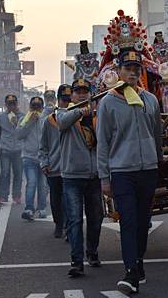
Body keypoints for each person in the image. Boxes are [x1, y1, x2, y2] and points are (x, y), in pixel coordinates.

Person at [97, 50, 162, 294]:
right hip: (122, 171)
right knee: (129, 222)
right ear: (119, 72)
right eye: (128, 68)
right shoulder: (108, 102)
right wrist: (104, 177)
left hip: (148, 171)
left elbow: (157, 136)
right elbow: (103, 142)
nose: (133, 72)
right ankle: (130, 271)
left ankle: (138, 261)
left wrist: (158, 164)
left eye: (137, 68)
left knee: (143, 222)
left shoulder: (151, 100)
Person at [58, 79, 103, 277]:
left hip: (94, 176)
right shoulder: (62, 113)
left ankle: (92, 252)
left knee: (96, 218)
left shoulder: (98, 116)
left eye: (86, 91)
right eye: (78, 91)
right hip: (72, 176)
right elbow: (62, 123)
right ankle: (77, 261)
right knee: (75, 220)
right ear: (72, 95)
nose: (82, 94)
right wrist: (78, 111)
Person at [39, 84, 72, 238]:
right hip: (54, 167)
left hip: (71, 168)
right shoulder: (49, 121)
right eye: (64, 100)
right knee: (55, 199)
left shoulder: (76, 118)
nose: (67, 103)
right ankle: (59, 224)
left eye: (69, 99)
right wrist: (44, 162)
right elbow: (43, 145)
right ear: (59, 101)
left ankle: (69, 226)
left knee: (69, 199)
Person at [17, 96, 48, 221]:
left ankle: (41, 208)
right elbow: (19, 135)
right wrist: (30, 122)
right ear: (30, 107)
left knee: (43, 185)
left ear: (42, 107)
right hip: (28, 157)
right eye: (33, 106)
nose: (36, 108)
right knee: (31, 182)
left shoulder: (46, 120)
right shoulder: (23, 119)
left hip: (43, 158)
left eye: (38, 106)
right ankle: (29, 208)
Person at [0, 94, 24, 206]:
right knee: (4, 173)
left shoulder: (23, 116)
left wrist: (17, 123)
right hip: (5, 149)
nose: (11, 106)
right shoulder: (0, 117)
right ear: (5, 105)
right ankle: (3, 196)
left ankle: (17, 196)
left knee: (18, 173)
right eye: (9, 104)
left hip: (19, 150)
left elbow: (25, 133)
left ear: (17, 104)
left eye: (14, 103)